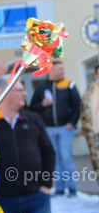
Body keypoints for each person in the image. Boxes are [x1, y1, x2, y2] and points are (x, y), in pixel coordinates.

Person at [0, 76, 55, 213]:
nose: (25, 93)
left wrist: (46, 186)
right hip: (3, 199)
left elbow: (49, 151)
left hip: (36, 195)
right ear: (5, 93)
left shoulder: (33, 119)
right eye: (20, 90)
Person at [29, 59, 81, 196]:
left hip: (65, 128)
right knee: (55, 159)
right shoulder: (41, 88)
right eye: (59, 69)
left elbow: (77, 106)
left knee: (67, 158)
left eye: (62, 69)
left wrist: (72, 123)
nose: (62, 71)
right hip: (48, 129)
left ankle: (72, 188)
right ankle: (59, 189)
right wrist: (43, 104)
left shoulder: (69, 85)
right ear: (50, 71)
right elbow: (32, 107)